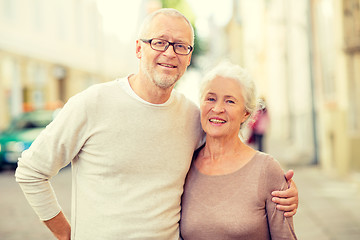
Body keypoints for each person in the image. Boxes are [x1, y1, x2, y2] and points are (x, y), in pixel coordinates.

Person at [15, 9, 298, 240]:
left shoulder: (192, 116)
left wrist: (280, 195)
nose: (170, 53)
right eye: (160, 42)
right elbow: (30, 172)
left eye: (181, 46)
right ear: (139, 48)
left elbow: (225, 162)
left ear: (188, 58)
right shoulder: (92, 103)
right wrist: (67, 235)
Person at [180, 61, 297, 239]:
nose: (217, 108)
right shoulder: (184, 165)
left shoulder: (266, 169)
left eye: (230, 101)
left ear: (246, 113)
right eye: (210, 98)